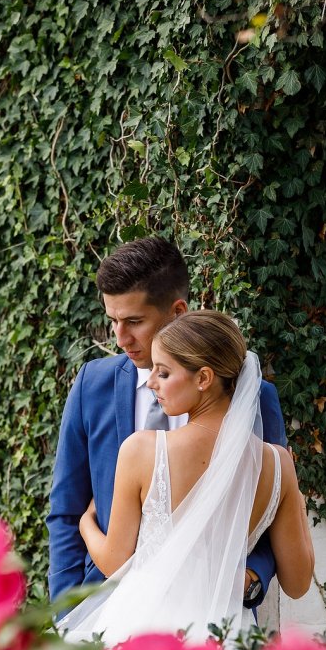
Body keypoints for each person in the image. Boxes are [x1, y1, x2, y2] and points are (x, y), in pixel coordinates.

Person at [47, 236, 288, 608]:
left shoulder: (252, 398)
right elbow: (66, 509)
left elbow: (271, 507)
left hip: (214, 614)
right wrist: (66, 613)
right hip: (103, 617)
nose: (120, 338)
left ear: (178, 311)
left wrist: (251, 581)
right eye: (113, 321)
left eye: (134, 321)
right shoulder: (91, 385)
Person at [59, 311, 313, 650]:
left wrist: (86, 523)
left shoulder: (141, 451)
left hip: (147, 634)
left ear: (203, 378)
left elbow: (114, 563)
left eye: (163, 373)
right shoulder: (278, 463)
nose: (151, 383)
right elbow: (297, 584)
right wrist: (293, 498)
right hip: (228, 640)